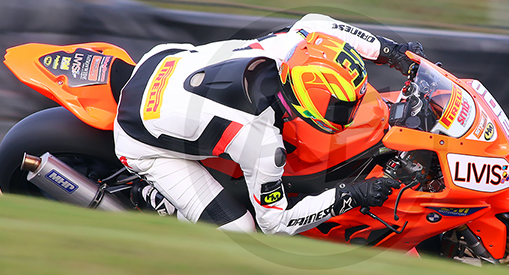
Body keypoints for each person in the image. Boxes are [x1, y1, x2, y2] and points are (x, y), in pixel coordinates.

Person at [113, 13, 426, 234]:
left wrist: (392, 52)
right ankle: (154, 198)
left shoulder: (292, 47)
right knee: (239, 230)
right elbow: (274, 224)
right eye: (339, 108)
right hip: (141, 134)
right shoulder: (261, 142)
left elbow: (319, 24)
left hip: (165, 62)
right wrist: (356, 194)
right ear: (308, 97)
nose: (348, 114)